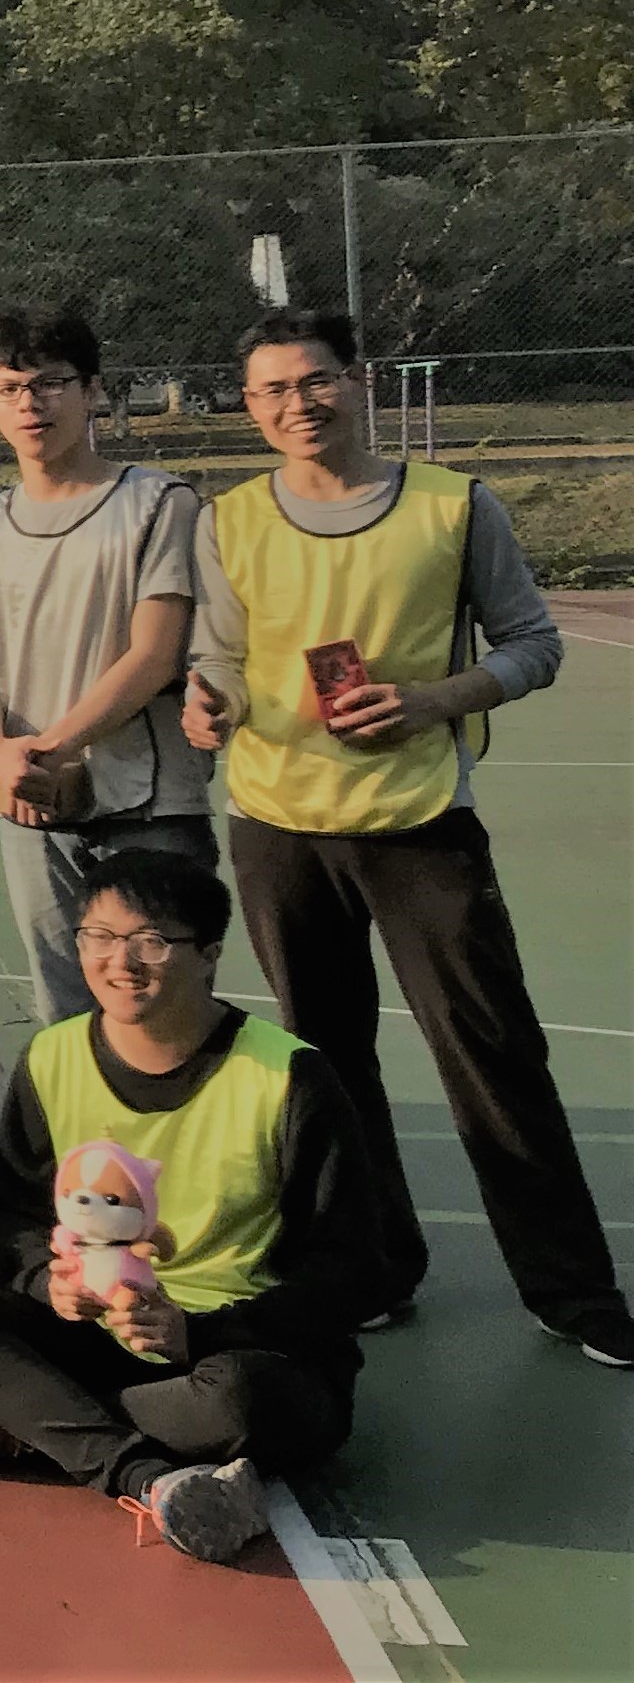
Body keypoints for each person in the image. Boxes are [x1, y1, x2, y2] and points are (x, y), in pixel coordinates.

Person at [185, 308, 625, 1363]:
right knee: (326, 1061)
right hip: (277, 826)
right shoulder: (227, 518)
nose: (297, 404)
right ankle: (376, 1268)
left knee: (489, 1050)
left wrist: (433, 701)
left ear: (359, 381)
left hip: (419, 822)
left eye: (315, 380)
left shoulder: (451, 505)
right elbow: (220, 656)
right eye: (272, 390)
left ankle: (570, 1289)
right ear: (248, 406)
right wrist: (210, 702)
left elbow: (531, 644)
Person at [0, 857, 408, 1564]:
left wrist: (197, 1333)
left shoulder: (289, 1076)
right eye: (99, 937)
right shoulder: (52, 1056)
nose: (121, 962)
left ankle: (30, 1424)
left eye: (151, 942)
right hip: (96, 1336)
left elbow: (354, 1269)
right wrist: (46, 1282)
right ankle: (145, 1475)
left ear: (209, 955)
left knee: (242, 1403)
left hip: (232, 1352)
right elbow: (18, 1210)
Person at [0, 308, 211, 1027]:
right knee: (65, 1008)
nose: (30, 403)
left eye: (51, 383)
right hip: (30, 807)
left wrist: (51, 749)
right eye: (9, 388)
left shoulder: (159, 503)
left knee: (164, 1005)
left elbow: (153, 654)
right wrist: (1, 756)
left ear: (92, 391)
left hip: (148, 802)